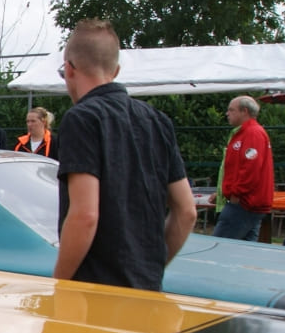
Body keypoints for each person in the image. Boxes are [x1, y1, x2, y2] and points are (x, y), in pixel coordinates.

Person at [52, 19, 196, 290]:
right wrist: (150, 267)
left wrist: (60, 284)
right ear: (115, 71)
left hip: (94, 290)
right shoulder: (158, 120)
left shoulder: (81, 119)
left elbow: (85, 215)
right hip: (146, 289)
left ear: (69, 69)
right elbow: (186, 211)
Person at [212, 95, 275, 241]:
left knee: (219, 247)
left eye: (231, 110)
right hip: (248, 203)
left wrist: (236, 194)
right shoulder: (246, 133)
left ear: (244, 111)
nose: (227, 113)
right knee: (244, 250)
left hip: (244, 203)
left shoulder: (252, 133)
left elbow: (250, 169)